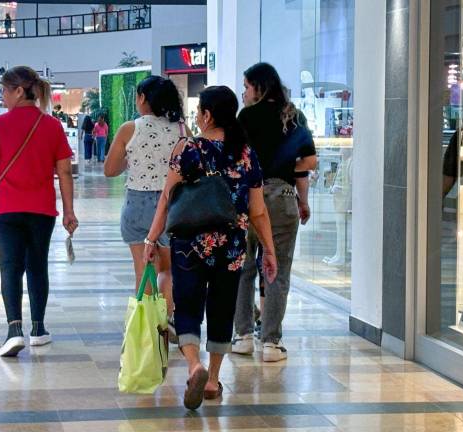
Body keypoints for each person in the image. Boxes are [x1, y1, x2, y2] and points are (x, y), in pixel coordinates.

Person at [144, 86, 278, 410]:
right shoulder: (245, 153)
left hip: (190, 243)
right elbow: (258, 210)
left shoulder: (188, 149)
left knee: (188, 306)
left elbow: (166, 197)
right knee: (222, 307)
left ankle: (194, 366)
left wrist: (151, 239)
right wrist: (269, 251)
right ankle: (214, 379)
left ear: (206, 115)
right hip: (231, 245)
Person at [0, 66, 78, 357]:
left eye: (4, 90)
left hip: (7, 209)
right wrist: (69, 211)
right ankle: (38, 329)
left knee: (10, 266)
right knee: (37, 266)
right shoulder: (52, 126)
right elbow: (64, 172)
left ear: (18, 91)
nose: (1, 96)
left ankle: (14, 329)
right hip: (42, 210)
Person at [231, 62, 317, 362]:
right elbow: (310, 162)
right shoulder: (293, 115)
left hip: (246, 198)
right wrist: (289, 178)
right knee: (277, 271)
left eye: (246, 86)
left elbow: (235, 160)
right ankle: (271, 343)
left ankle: (242, 336)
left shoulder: (245, 117)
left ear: (259, 87)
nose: (243, 92)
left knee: (243, 268)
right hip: (281, 197)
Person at [104, 75, 184, 339]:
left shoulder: (130, 128)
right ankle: (165, 320)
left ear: (143, 99)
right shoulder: (182, 129)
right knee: (169, 270)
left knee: (143, 268)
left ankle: (145, 328)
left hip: (137, 204)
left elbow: (110, 169)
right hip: (172, 205)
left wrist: (132, 160)